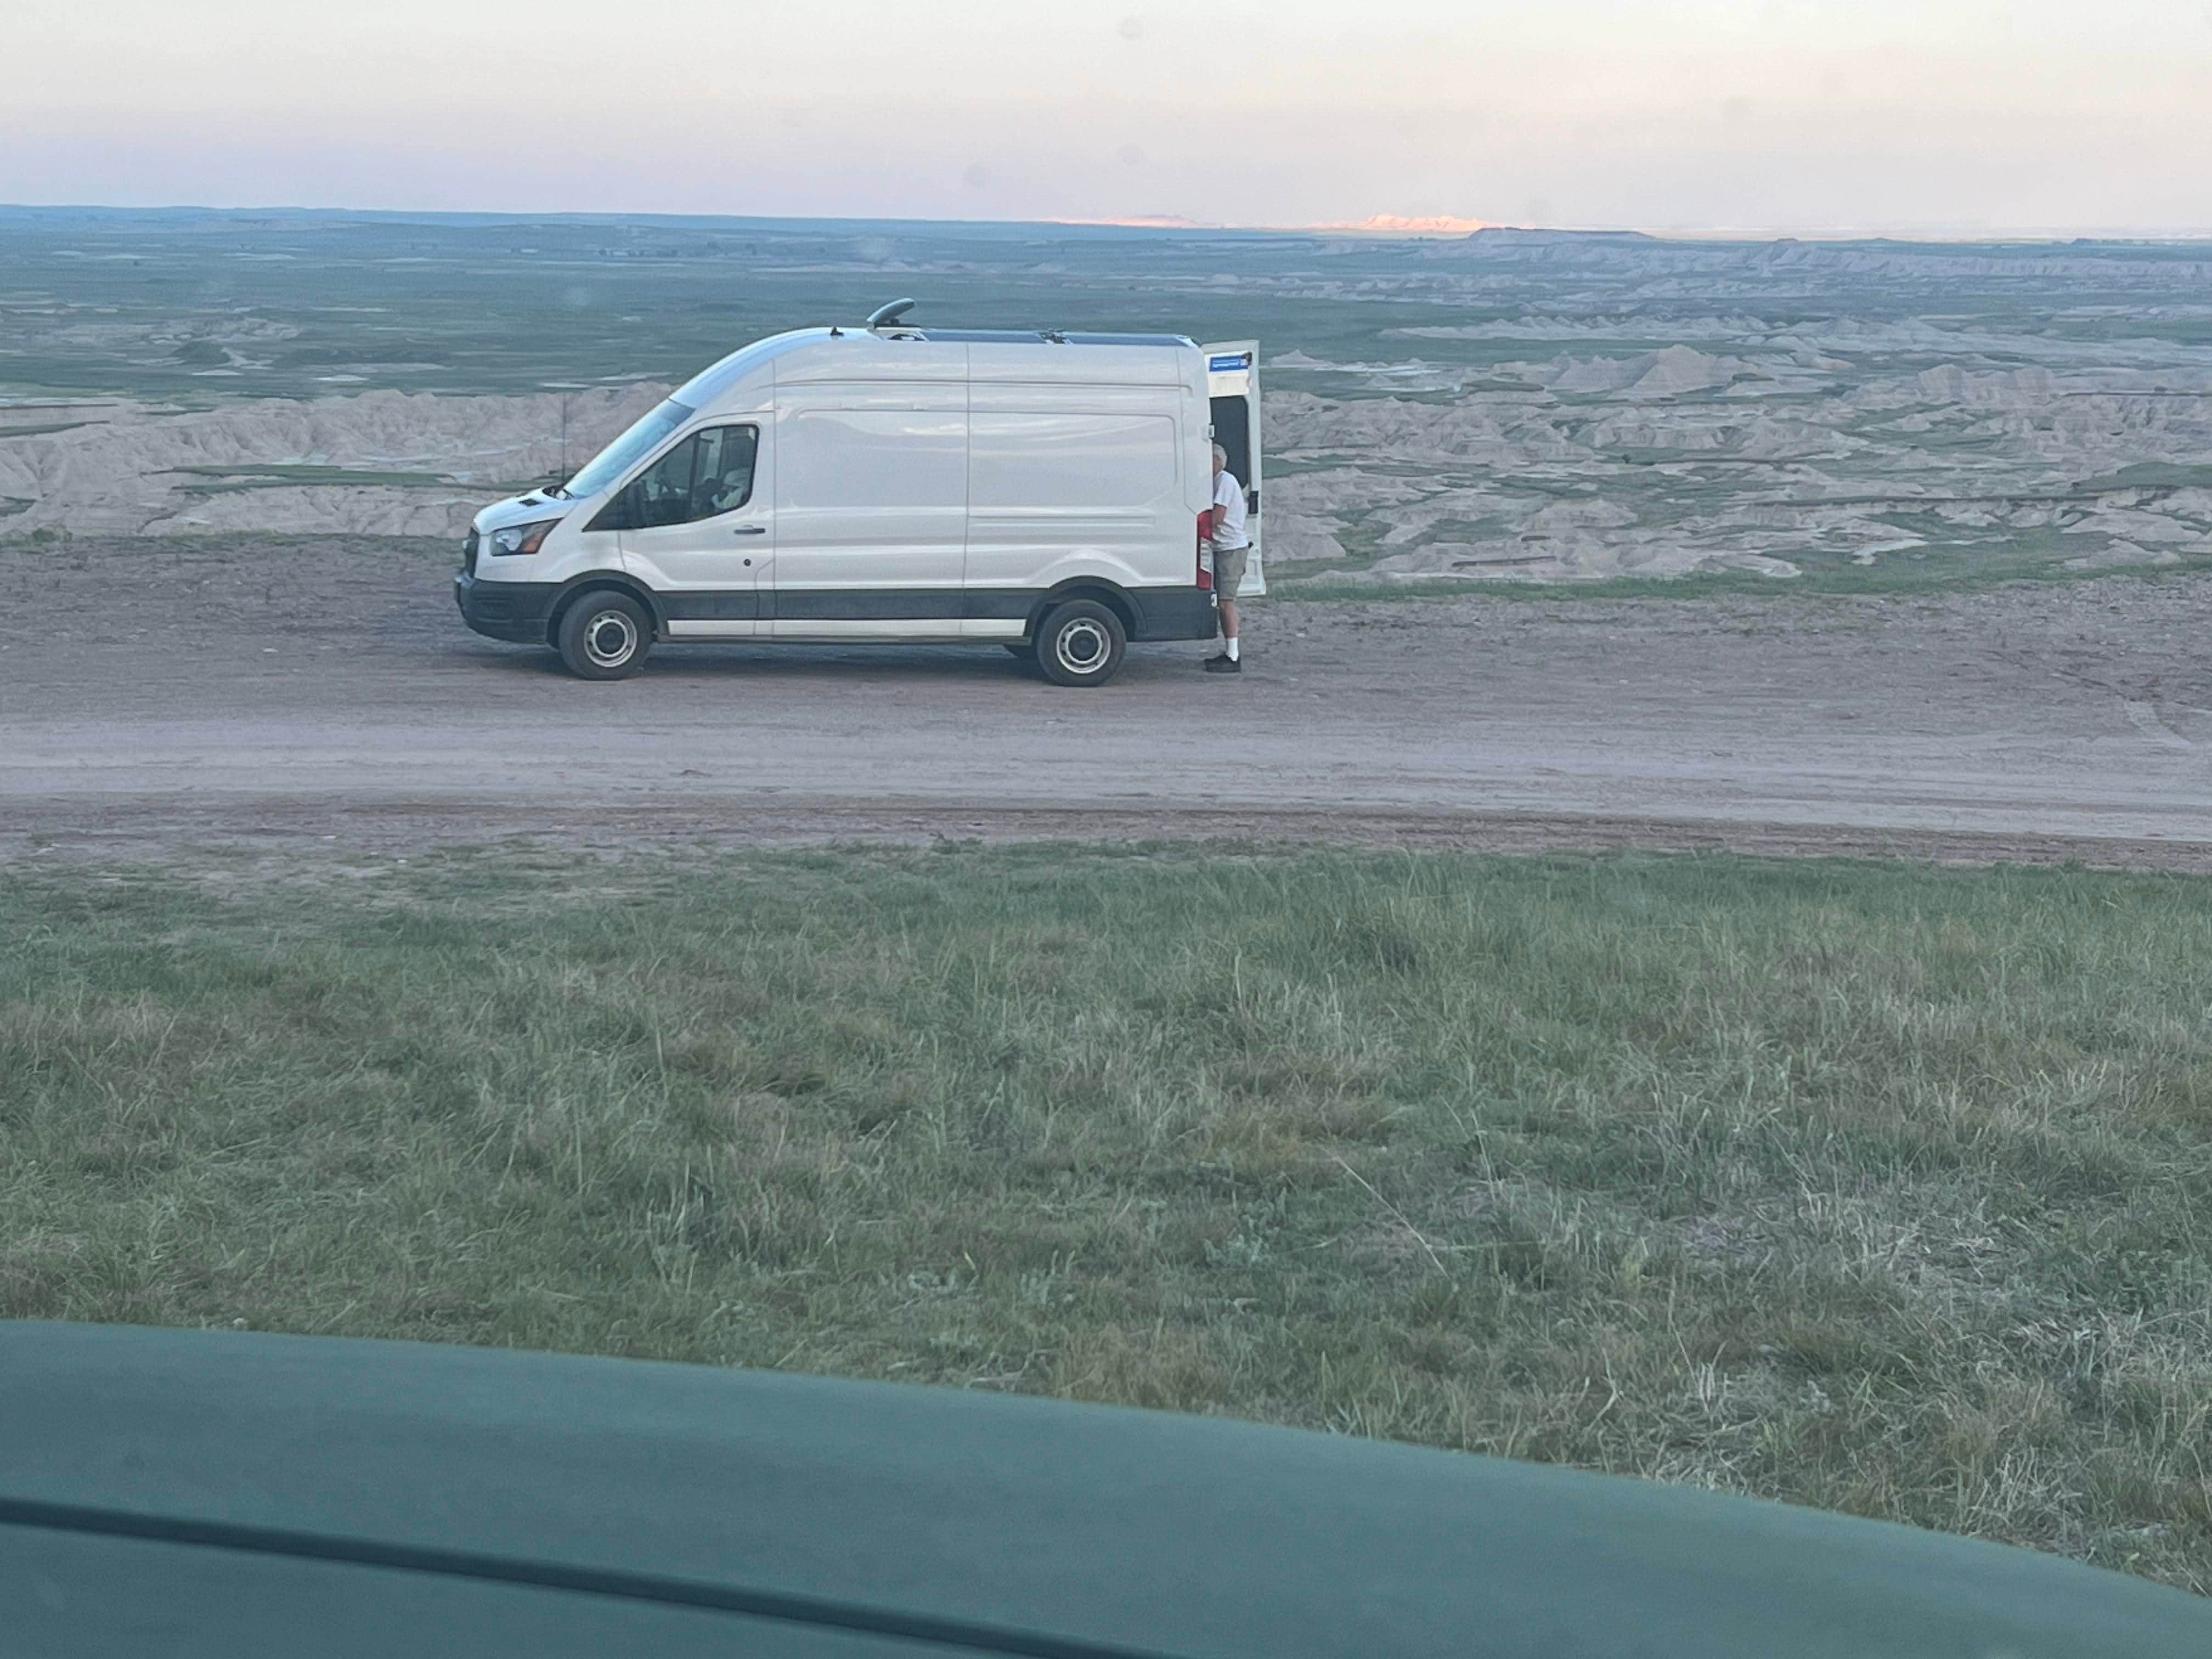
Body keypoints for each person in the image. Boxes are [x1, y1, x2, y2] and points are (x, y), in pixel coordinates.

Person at [1204, 442, 1250, 674]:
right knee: (1222, 602)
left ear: (1217, 461)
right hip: (1221, 548)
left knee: (1226, 602)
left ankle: (1233, 655)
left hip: (1231, 548)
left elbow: (1217, 518)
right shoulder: (1214, 482)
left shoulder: (1225, 481)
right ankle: (1230, 651)